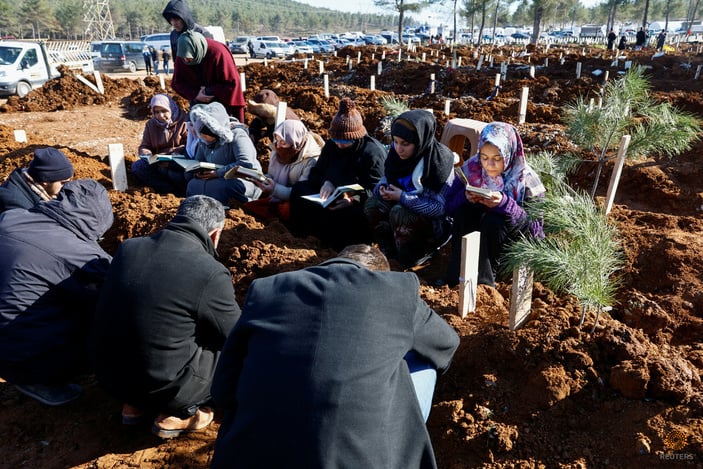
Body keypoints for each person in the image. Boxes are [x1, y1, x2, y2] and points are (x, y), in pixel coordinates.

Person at [210, 244, 460, 469]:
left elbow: (223, 388)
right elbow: (446, 343)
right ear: (377, 276)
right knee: (424, 362)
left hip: (251, 453)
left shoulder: (267, 289)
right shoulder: (396, 291)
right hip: (359, 458)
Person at [92, 195, 241, 438]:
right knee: (227, 351)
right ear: (215, 234)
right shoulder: (209, 271)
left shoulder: (129, 248)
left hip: (108, 376)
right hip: (164, 388)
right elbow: (235, 334)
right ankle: (178, 415)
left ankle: (133, 406)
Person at [0, 179, 113, 406]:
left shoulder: (10, 218)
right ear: (99, 220)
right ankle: (40, 378)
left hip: (8, 337)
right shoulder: (83, 255)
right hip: (19, 357)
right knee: (106, 326)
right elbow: (117, 295)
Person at [442, 122, 546, 288]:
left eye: (497, 159)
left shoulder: (525, 180)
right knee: (465, 214)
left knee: (494, 221)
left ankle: (485, 284)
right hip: (474, 237)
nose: (489, 165)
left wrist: (505, 205)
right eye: (484, 157)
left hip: (506, 249)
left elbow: (536, 231)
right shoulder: (471, 169)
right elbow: (447, 207)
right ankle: (456, 277)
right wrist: (465, 197)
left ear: (509, 153)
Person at [289, 97, 386, 251]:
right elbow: (316, 173)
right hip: (329, 196)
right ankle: (302, 238)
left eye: (345, 141)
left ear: (356, 137)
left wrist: (353, 198)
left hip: (355, 201)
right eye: (336, 139)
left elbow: (378, 190)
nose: (340, 144)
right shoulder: (332, 146)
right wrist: (327, 181)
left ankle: (343, 248)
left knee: (353, 214)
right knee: (299, 190)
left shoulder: (372, 153)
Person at [364, 109, 456, 268]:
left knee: (400, 212)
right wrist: (382, 188)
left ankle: (415, 256)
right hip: (400, 211)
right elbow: (388, 176)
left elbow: (439, 208)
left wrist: (403, 197)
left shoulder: (438, 164)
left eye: (405, 144)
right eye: (396, 141)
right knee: (372, 204)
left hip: (432, 225)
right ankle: (389, 252)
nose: (399, 148)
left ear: (420, 141)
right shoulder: (396, 155)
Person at [243, 119, 323, 220]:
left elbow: (301, 193)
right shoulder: (277, 151)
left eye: (283, 142)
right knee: (248, 207)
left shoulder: (311, 161)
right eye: (277, 140)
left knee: (285, 210)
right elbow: (272, 176)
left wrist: (274, 189)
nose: (278, 146)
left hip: (296, 201)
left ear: (295, 143)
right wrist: (261, 178)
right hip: (276, 196)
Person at [186, 101, 262, 205]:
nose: (203, 137)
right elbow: (199, 160)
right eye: (201, 134)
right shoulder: (203, 141)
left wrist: (218, 173)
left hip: (243, 178)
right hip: (213, 177)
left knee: (221, 187)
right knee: (193, 184)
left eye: (206, 134)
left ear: (215, 131)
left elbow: (245, 163)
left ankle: (238, 207)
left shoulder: (238, 135)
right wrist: (198, 171)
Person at [172, 30, 246, 122]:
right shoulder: (183, 55)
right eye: (184, 58)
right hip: (198, 102)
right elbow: (177, 83)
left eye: (189, 58)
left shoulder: (218, 52)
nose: (186, 60)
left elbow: (232, 85)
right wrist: (195, 94)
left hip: (222, 103)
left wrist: (209, 91)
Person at [131, 94, 190, 195]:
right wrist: (148, 156)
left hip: (179, 160)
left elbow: (189, 145)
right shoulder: (151, 124)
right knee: (138, 167)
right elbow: (145, 145)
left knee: (174, 174)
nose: (160, 115)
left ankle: (182, 192)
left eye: (164, 111)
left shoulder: (184, 121)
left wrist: (170, 156)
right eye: (156, 112)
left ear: (171, 108)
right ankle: (167, 191)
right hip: (158, 162)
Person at [0, 147, 74, 214]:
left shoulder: (35, 187)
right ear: (45, 182)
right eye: (63, 182)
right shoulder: (15, 204)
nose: (67, 186)